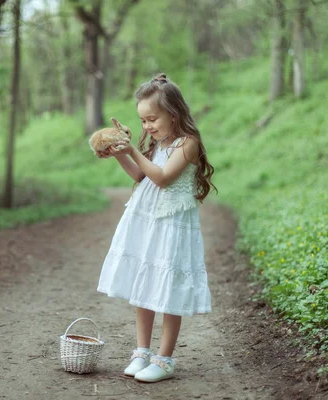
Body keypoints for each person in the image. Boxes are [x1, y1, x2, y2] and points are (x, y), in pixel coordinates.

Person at [95, 73, 217, 383]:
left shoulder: (187, 143)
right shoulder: (159, 142)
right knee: (144, 284)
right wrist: (120, 154)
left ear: (173, 114)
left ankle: (164, 359)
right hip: (147, 220)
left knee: (167, 289)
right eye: (143, 120)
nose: (147, 126)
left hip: (172, 224)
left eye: (152, 119)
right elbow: (140, 176)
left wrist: (132, 149)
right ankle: (142, 351)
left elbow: (162, 178)